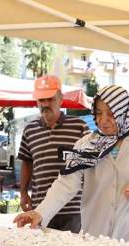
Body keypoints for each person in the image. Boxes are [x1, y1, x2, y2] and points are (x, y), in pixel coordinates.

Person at [15, 85, 129, 246]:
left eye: (111, 113)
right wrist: (40, 212)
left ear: (123, 112)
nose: (103, 120)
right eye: (99, 113)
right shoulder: (85, 144)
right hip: (96, 236)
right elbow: (66, 184)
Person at [18, 75, 89, 233]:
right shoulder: (30, 129)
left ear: (61, 99)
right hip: (40, 208)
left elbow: (89, 166)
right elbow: (26, 163)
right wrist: (23, 193)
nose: (45, 104)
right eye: (41, 100)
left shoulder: (79, 127)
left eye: (49, 99)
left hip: (72, 209)